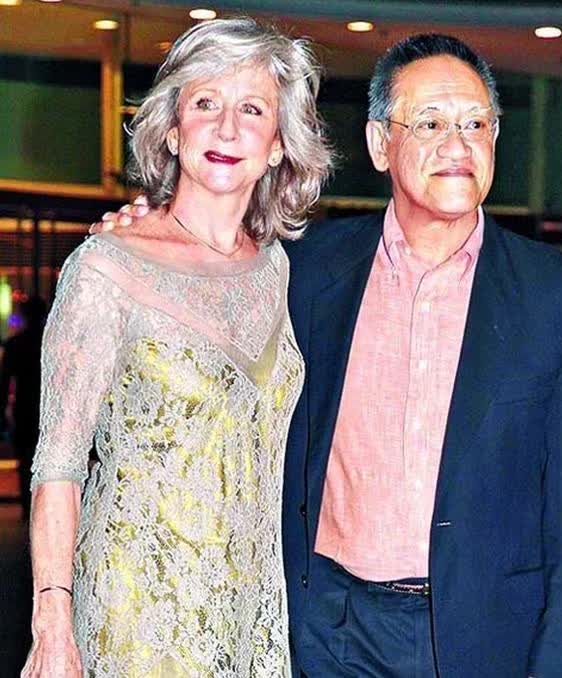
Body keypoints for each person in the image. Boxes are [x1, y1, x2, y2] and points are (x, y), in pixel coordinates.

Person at [96, 33, 562, 678]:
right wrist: (141, 229)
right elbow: (203, 274)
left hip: (481, 637)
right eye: (430, 123)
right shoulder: (303, 270)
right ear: (378, 144)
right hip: (328, 629)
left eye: (475, 124)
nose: (458, 145)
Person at [22, 18, 331, 678]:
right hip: (139, 614)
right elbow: (58, 462)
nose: (227, 129)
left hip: (251, 613)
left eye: (252, 110)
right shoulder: (106, 268)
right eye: (205, 104)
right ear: (171, 129)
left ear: (279, 144)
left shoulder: (278, 269)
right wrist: (52, 625)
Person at [0, 296, 47, 518]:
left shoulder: (16, 344)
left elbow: (5, 380)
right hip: (45, 407)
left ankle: (29, 507)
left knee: (25, 458)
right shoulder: (50, 342)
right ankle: (40, 505)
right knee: (45, 458)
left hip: (25, 406)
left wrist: (2, 410)